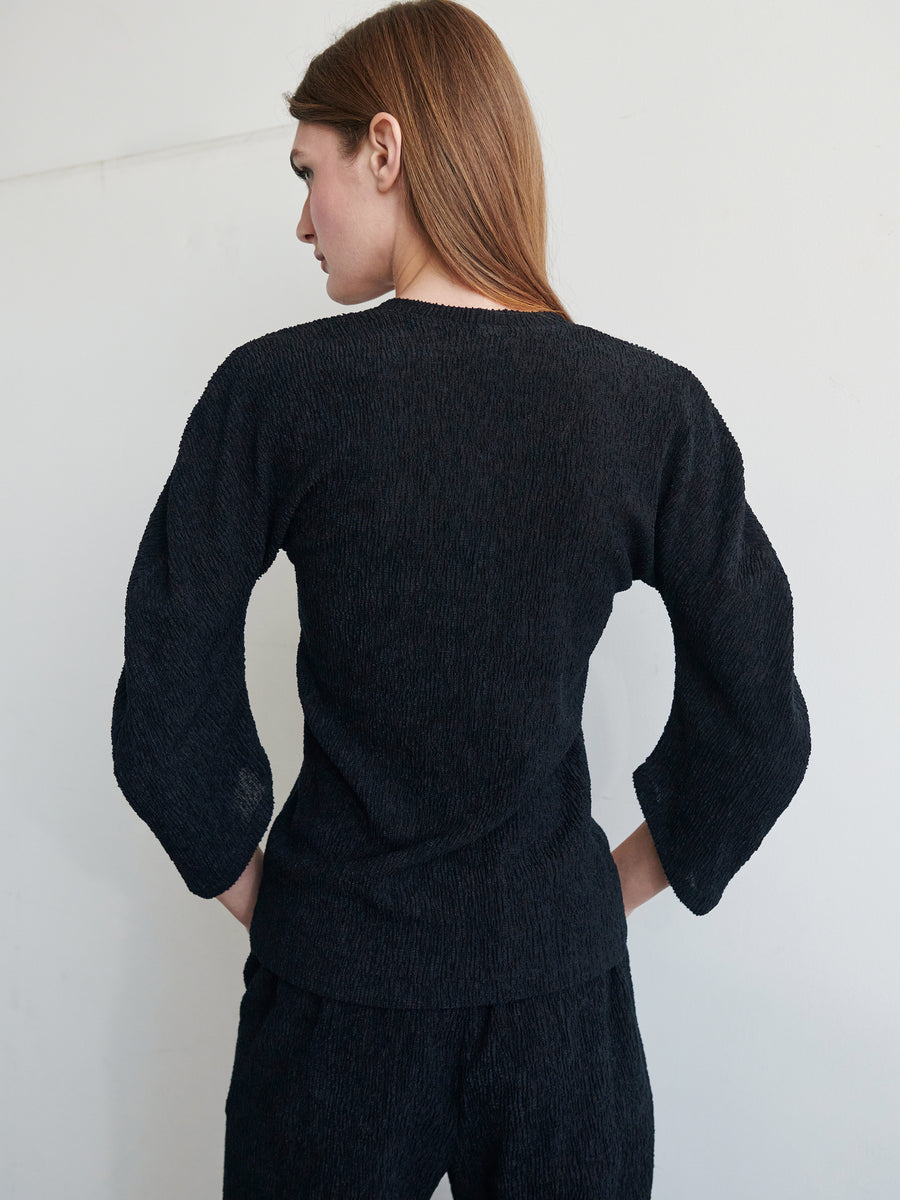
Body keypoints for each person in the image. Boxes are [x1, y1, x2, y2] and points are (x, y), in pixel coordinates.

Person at [109, 1, 812, 1196]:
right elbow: (760, 723)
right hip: (558, 1014)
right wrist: (605, 891)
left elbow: (165, 692)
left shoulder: (274, 394)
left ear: (384, 148)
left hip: (330, 1009)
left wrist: (277, 901)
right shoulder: (645, 411)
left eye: (308, 171)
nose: (300, 218)